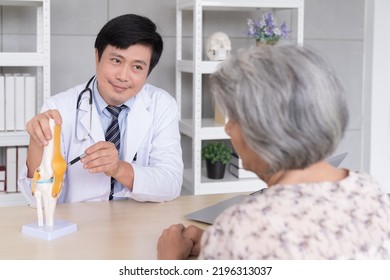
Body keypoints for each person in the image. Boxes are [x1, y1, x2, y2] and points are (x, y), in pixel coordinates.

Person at [157, 45, 390, 259]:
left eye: (234, 118)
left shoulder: (244, 228)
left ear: (262, 128)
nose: (228, 128)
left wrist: (170, 262)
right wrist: (215, 242)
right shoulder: (372, 192)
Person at [18, 14, 183, 204]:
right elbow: (38, 198)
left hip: (138, 222)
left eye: (137, 67)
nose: (123, 76)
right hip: (80, 224)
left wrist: (118, 168)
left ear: (148, 72)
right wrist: (37, 141)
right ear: (97, 56)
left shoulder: (161, 105)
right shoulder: (59, 108)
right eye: (116, 61)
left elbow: (171, 183)